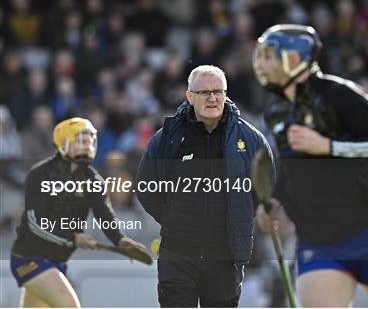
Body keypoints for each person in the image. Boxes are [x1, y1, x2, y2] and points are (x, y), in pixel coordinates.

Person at [252, 24, 368, 307]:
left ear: (294, 58)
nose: (259, 63)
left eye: (268, 55)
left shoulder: (338, 94)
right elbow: (291, 168)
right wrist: (273, 200)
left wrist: (329, 147)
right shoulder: (276, 109)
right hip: (317, 241)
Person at [136, 65, 273, 307]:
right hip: (177, 252)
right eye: (205, 92)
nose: (212, 98)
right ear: (190, 96)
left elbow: (266, 186)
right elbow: (146, 186)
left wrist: (239, 214)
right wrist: (172, 218)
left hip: (225, 255)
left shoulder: (250, 138)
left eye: (218, 92)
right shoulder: (167, 138)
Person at [10, 117, 146, 308]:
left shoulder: (93, 180)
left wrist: (120, 240)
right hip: (30, 258)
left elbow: (105, 215)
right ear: (63, 142)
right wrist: (73, 238)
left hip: (57, 260)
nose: (87, 146)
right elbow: (36, 223)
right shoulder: (39, 174)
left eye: (90, 141)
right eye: (81, 141)